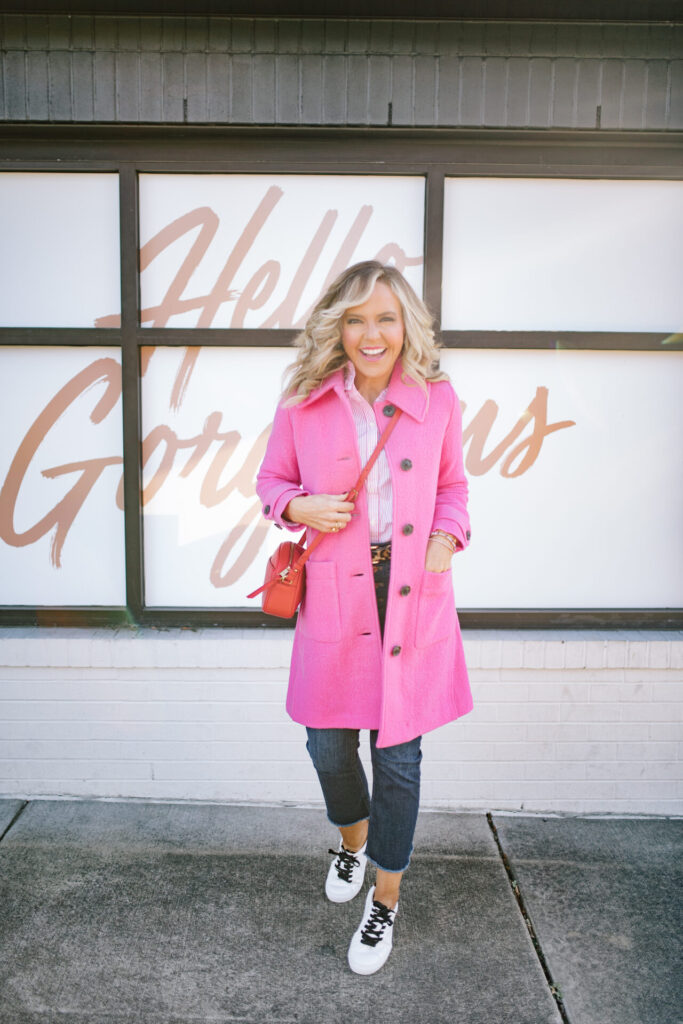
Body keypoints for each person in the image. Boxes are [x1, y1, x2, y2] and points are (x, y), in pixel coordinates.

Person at [256, 260, 472, 975]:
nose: (371, 333)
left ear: (405, 324)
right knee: (326, 744)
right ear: (335, 327)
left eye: (385, 317)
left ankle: (385, 896)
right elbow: (270, 481)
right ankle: (351, 842)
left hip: (410, 589)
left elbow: (452, 488)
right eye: (355, 319)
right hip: (334, 588)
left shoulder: (436, 399)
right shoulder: (303, 400)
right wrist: (297, 506)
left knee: (398, 756)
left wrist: (447, 537)